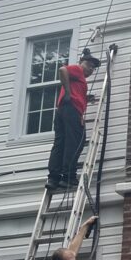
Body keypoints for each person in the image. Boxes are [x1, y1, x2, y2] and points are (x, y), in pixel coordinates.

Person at [45, 49, 100, 190]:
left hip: (63, 111)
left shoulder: (79, 80)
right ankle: (68, 177)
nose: (91, 69)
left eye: (93, 68)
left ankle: (53, 178)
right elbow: (63, 70)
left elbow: (75, 93)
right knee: (76, 142)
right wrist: (68, 93)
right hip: (71, 110)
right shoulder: (77, 70)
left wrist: (85, 98)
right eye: (89, 65)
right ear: (81, 62)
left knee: (61, 143)